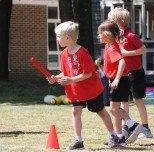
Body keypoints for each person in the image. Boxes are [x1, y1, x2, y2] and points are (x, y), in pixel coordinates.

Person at [47, 21, 121, 150]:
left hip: (91, 89)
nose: (57, 39)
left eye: (59, 36)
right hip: (76, 91)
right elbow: (66, 71)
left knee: (100, 112)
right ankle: (78, 141)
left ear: (67, 38)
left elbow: (88, 73)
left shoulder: (82, 52)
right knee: (75, 111)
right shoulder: (64, 54)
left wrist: (71, 80)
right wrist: (56, 77)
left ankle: (113, 136)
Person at [107, 7, 153, 138]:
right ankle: (125, 127)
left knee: (138, 100)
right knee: (123, 101)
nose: (110, 23)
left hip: (135, 72)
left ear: (119, 21)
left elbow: (143, 49)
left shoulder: (131, 36)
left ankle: (145, 128)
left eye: (112, 20)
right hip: (122, 74)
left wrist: (127, 53)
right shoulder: (114, 37)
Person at [98, 20, 142, 146]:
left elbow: (122, 62)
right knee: (115, 108)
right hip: (119, 80)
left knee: (113, 109)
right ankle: (123, 133)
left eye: (100, 33)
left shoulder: (112, 47)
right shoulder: (109, 46)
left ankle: (127, 129)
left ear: (108, 34)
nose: (99, 36)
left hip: (120, 81)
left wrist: (116, 79)